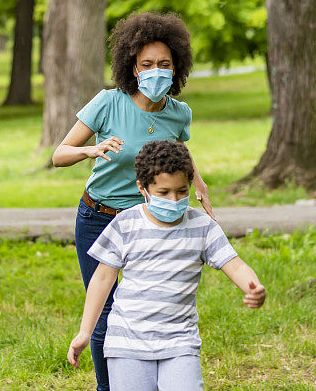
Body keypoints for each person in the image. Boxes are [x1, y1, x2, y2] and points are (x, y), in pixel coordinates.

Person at [51, 12, 214, 391]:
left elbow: (179, 151)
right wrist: (93, 150)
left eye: (164, 64)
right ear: (132, 66)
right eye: (147, 64)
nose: (156, 71)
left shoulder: (179, 113)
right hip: (99, 216)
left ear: (177, 68)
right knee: (105, 313)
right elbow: (59, 154)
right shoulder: (109, 102)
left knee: (149, 308)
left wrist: (199, 182)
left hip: (149, 221)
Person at [66, 140, 266, 391]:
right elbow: (102, 279)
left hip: (180, 343)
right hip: (127, 344)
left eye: (182, 191)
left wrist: (253, 287)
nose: (174, 199)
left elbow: (235, 265)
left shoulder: (202, 226)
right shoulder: (125, 224)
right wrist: (85, 332)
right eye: (163, 192)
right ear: (143, 188)